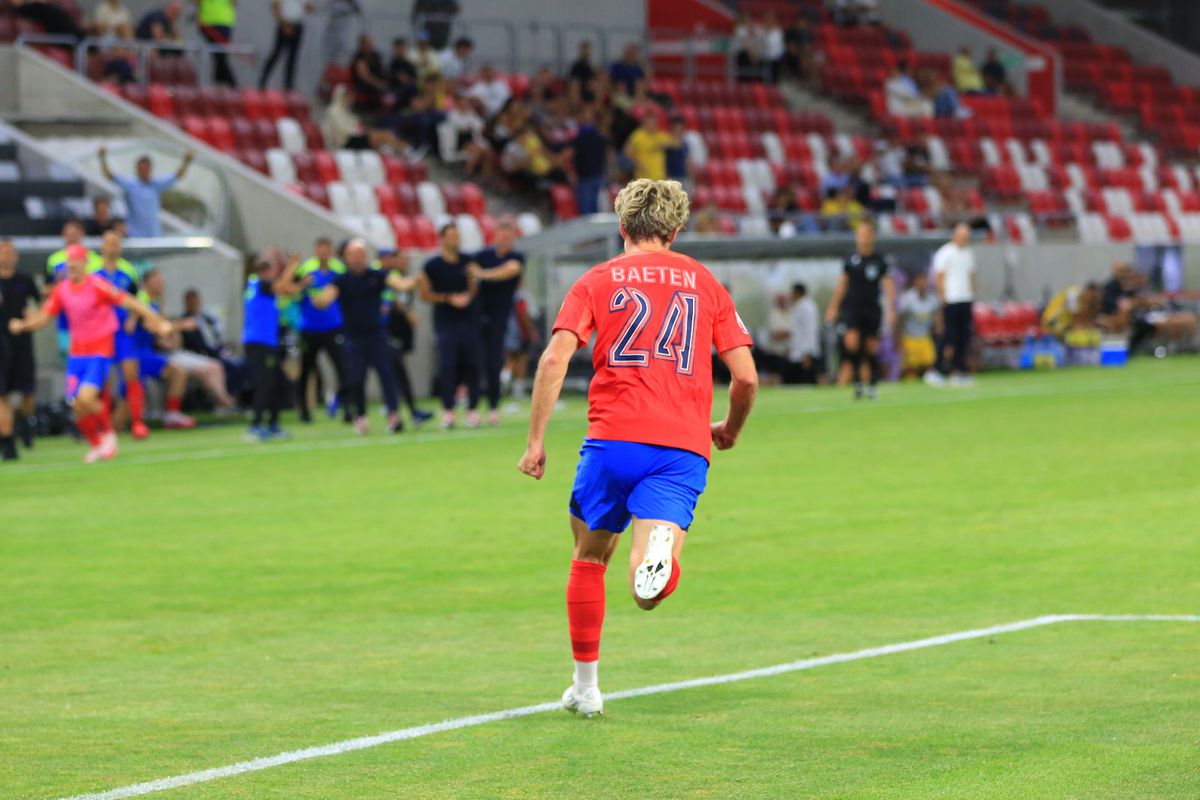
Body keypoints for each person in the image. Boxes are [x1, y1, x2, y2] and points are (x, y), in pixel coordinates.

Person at [517, 178, 758, 719]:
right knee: (646, 592)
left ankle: (586, 688)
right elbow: (745, 379)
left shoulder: (597, 280)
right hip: (680, 447)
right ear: (675, 230)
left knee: (587, 558)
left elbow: (554, 361)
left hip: (611, 441)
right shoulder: (705, 283)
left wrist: (535, 442)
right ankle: (658, 561)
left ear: (622, 227)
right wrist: (731, 430)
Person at [10, 244, 172, 463]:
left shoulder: (97, 285)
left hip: (99, 349)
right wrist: (23, 325)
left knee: (87, 397)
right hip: (77, 353)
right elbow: (44, 317)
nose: (72, 265)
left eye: (76, 260)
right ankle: (97, 444)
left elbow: (129, 301)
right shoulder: (62, 290)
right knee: (77, 406)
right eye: (69, 261)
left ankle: (109, 434)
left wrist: (157, 320)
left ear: (85, 262)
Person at [310, 240, 413, 434]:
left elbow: (400, 284)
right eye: (353, 255)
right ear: (346, 257)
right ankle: (361, 417)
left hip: (377, 335)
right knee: (357, 379)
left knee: (387, 376)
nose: (357, 259)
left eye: (360, 255)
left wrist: (415, 280)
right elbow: (326, 298)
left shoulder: (376, 276)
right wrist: (318, 300)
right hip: (353, 338)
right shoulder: (341, 280)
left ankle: (393, 415)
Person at [418, 223, 481, 429]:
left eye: (457, 236)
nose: (455, 240)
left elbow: (473, 289)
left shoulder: (467, 261)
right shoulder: (432, 265)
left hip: (468, 320)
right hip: (446, 322)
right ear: (442, 238)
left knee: (473, 363)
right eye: (451, 236)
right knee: (448, 365)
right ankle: (448, 411)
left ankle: (472, 409)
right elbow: (425, 294)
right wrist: (448, 298)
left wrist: (468, 295)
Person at [824, 220, 896, 399]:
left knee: (871, 348)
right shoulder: (850, 260)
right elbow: (842, 285)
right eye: (860, 235)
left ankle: (872, 384)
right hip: (851, 308)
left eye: (866, 235)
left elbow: (888, 286)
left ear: (872, 237)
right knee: (852, 343)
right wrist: (833, 307)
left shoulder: (879, 261)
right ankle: (858, 383)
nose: (863, 239)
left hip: (872, 309)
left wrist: (891, 308)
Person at [90, 230, 150, 438]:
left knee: (131, 374)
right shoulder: (93, 272)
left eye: (116, 243)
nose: (113, 247)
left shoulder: (128, 271)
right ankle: (106, 427)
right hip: (101, 333)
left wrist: (133, 318)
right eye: (109, 243)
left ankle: (137, 422)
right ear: (102, 246)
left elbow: (137, 299)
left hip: (124, 332)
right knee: (104, 379)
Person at [132, 268, 208, 427]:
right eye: (157, 280)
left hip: (145, 353)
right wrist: (183, 325)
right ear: (146, 283)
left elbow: (161, 324)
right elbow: (155, 326)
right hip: (136, 355)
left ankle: (172, 414)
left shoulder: (154, 301)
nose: (161, 284)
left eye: (162, 281)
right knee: (125, 407)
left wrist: (172, 337)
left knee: (178, 371)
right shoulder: (142, 300)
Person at [242, 251, 302, 442]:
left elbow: (286, 289)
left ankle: (272, 424)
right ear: (268, 271)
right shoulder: (260, 283)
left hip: (265, 342)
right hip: (260, 342)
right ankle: (257, 426)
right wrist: (292, 265)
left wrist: (301, 285)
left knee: (277, 382)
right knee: (265, 384)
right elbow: (282, 287)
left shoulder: (257, 285)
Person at [469, 218, 523, 426]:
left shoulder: (515, 257)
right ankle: (472, 407)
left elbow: (510, 270)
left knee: (494, 362)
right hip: (477, 315)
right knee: (474, 362)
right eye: (501, 236)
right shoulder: (483, 255)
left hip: (501, 317)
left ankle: (493, 407)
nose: (504, 240)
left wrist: (483, 274)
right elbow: (469, 267)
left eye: (508, 237)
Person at [295, 238, 348, 424]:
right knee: (307, 369)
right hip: (309, 328)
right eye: (320, 249)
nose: (323, 252)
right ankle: (304, 410)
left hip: (333, 327)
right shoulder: (305, 269)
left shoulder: (339, 269)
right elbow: (292, 290)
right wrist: (303, 284)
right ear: (316, 250)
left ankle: (347, 407)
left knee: (343, 368)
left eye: (327, 249)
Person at [378, 249, 433, 426]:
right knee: (393, 371)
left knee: (397, 369)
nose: (401, 261)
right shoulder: (380, 275)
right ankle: (400, 410)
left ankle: (404, 410)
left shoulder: (396, 274)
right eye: (396, 258)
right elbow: (396, 295)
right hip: (384, 330)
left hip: (398, 330)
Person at [0, 239, 40, 460]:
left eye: (9, 253)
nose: (6, 257)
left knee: (27, 391)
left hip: (22, 343)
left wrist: (28, 319)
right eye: (2, 253)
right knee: (2, 393)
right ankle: (8, 441)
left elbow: (40, 307)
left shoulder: (25, 280)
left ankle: (21, 421)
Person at [98, 147, 193, 239]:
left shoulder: (156, 185)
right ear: (137, 170)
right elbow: (110, 175)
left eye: (146, 169)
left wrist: (187, 161)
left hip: (154, 235)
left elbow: (177, 176)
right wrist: (102, 158)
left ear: (150, 169)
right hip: (135, 236)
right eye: (142, 169)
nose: (144, 172)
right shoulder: (130, 185)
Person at [932, 223, 976, 385]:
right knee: (948, 336)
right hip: (951, 300)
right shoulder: (945, 253)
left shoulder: (969, 254)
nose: (965, 239)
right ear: (955, 235)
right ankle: (936, 369)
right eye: (962, 235)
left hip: (965, 299)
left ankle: (958, 370)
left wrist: (972, 294)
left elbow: (971, 276)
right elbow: (939, 277)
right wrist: (942, 297)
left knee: (963, 337)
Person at [896, 271, 942, 382]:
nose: (922, 285)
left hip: (924, 336)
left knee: (929, 364)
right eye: (920, 282)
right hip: (910, 337)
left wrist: (939, 330)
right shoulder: (907, 299)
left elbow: (937, 317)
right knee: (911, 368)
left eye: (925, 282)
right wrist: (899, 341)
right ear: (915, 283)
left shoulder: (932, 299)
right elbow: (900, 320)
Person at [259, 0, 311, 91]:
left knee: (292, 58)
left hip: (297, 25)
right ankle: (262, 82)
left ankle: (288, 86)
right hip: (285, 24)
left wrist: (310, 8)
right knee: (276, 54)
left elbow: (305, 7)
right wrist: (283, 24)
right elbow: (275, 6)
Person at [571, 104, 609, 216]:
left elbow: (607, 155)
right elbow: (569, 154)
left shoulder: (600, 135)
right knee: (591, 214)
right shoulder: (578, 136)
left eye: (589, 114)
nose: (587, 117)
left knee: (596, 213)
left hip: (595, 178)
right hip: (586, 179)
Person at [623, 113, 676, 182]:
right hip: (643, 178)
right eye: (650, 123)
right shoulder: (638, 135)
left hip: (660, 178)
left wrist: (667, 144)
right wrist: (638, 163)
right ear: (644, 124)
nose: (653, 125)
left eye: (654, 123)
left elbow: (676, 143)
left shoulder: (660, 135)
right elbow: (627, 151)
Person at [196, 0, 238, 86]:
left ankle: (225, 86)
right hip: (214, 23)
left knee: (219, 58)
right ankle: (229, 86)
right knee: (219, 58)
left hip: (215, 22)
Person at [787, 282, 821, 384]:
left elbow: (810, 331)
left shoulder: (808, 308)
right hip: (798, 353)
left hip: (806, 354)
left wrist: (807, 354)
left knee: (808, 382)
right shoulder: (799, 306)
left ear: (797, 292)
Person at [350, 34, 389, 112]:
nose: (370, 45)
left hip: (378, 80)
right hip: (365, 84)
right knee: (381, 89)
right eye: (367, 43)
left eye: (371, 42)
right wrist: (379, 83)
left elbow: (382, 69)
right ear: (362, 44)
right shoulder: (359, 57)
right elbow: (365, 76)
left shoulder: (375, 55)